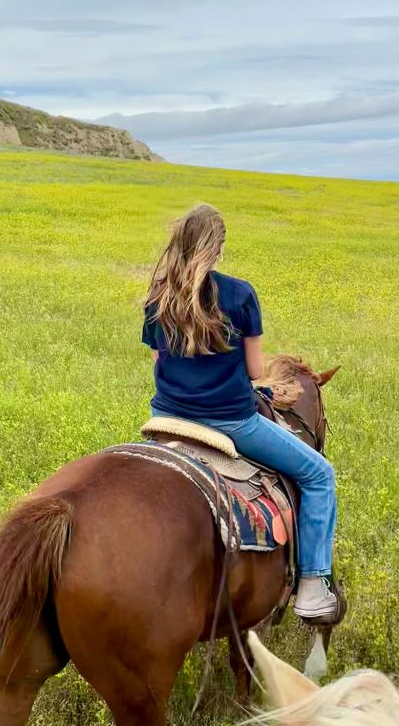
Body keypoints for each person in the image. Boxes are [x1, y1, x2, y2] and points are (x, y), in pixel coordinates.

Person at [142, 203, 337, 620]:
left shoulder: (156, 297)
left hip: (166, 419)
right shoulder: (239, 293)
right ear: (216, 248)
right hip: (230, 421)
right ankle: (312, 588)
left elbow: (159, 362)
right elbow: (253, 371)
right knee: (320, 474)